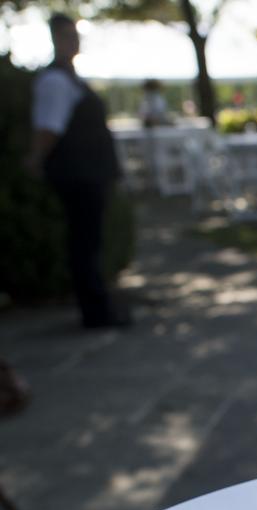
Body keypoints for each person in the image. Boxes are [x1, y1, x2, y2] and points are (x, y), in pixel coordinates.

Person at [23, 14, 127, 331]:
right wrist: (36, 159)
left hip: (89, 173)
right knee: (84, 244)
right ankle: (95, 312)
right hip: (78, 175)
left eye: (76, 35)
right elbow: (48, 128)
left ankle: (98, 307)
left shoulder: (69, 77)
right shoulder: (55, 81)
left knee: (89, 243)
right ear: (55, 39)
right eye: (68, 36)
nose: (74, 42)